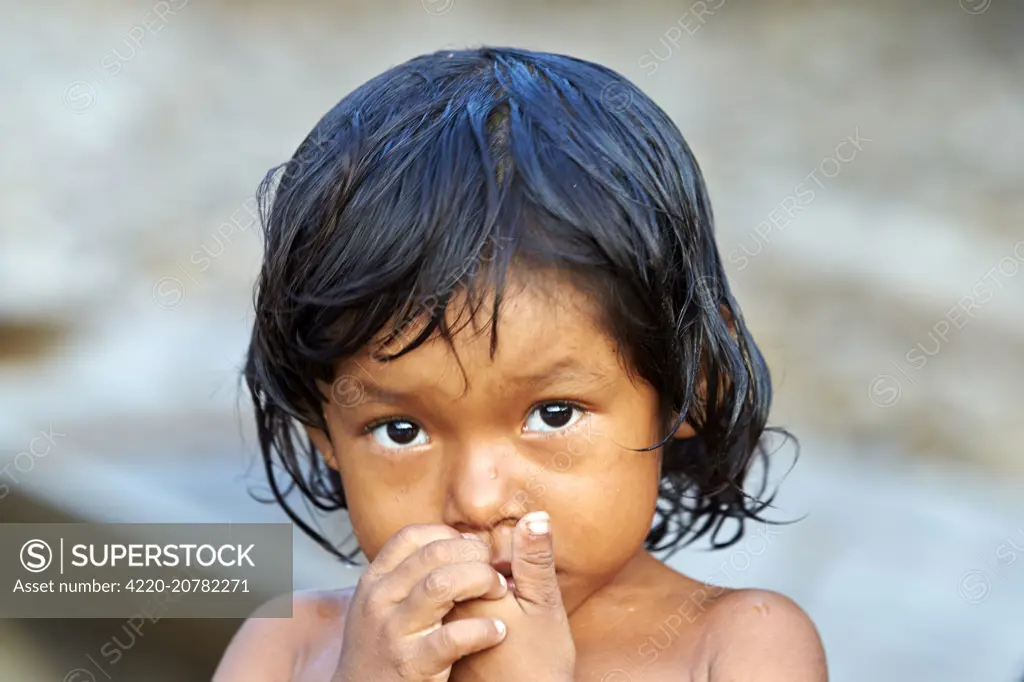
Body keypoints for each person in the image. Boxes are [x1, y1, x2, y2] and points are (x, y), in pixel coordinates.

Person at [214, 46, 828, 682]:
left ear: (693, 385)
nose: (478, 501)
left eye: (553, 413)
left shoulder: (739, 648)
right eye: (401, 429)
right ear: (325, 436)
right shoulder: (290, 648)